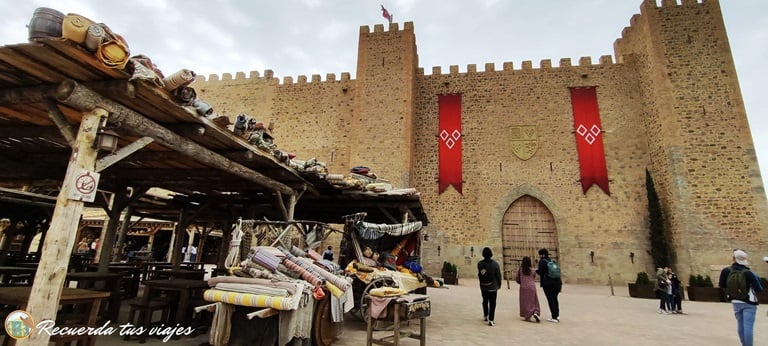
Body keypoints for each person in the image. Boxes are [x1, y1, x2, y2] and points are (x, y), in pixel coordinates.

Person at [718, 249, 764, 346]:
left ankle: (744, 344)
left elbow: (722, 285)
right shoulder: (748, 272)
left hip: (735, 300)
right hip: (749, 302)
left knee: (740, 325)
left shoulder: (726, 271)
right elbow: (759, 289)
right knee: (748, 326)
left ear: (734, 258)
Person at [536, 248, 562, 323]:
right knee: (555, 299)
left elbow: (541, 272)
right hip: (557, 283)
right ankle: (556, 315)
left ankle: (554, 317)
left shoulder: (542, 261)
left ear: (541, 255)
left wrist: (536, 271)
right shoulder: (551, 261)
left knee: (551, 299)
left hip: (548, 283)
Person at [477, 247, 501, 326]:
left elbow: (480, 274)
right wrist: (499, 284)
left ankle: (485, 314)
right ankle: (491, 319)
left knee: (485, 300)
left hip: (483, 286)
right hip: (492, 286)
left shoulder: (480, 264)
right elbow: (498, 275)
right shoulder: (495, 264)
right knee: (492, 303)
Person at [515, 256, 541, 322]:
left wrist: (521, 282)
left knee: (525, 301)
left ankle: (527, 316)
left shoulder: (521, 270)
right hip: (532, 287)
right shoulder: (532, 270)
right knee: (534, 300)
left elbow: (517, 278)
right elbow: (534, 276)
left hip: (523, 287)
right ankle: (535, 312)